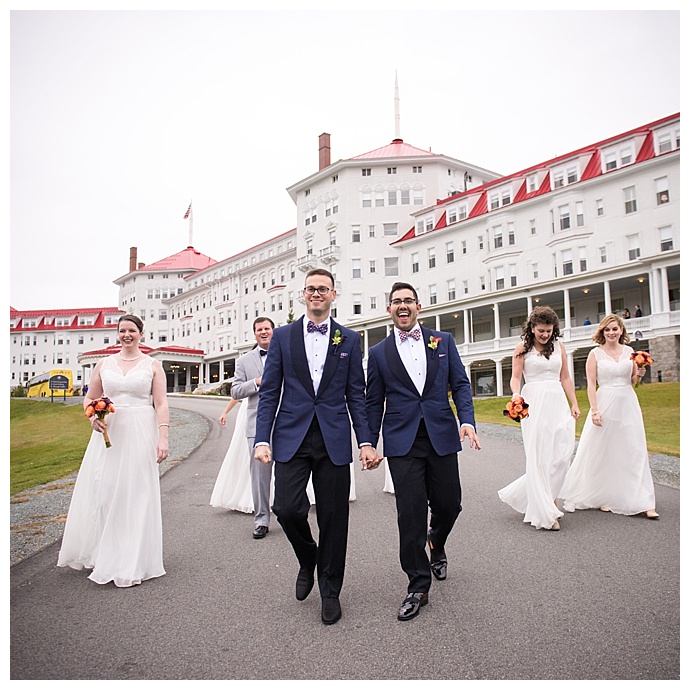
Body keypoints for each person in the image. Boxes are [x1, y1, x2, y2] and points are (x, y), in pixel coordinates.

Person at [254, 268, 378, 625]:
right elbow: (270, 393)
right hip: (291, 436)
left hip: (334, 438)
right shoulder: (282, 336)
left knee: (334, 518)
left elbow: (356, 394)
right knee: (287, 509)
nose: (317, 294)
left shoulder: (350, 340)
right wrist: (263, 438)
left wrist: (366, 441)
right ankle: (309, 558)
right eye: (311, 289)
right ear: (303, 294)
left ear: (333, 294)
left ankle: (330, 590)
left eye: (323, 289)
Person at [365, 282, 481, 621]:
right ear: (389, 309)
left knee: (449, 504)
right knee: (410, 513)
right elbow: (373, 402)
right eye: (396, 301)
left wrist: (467, 420)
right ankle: (417, 584)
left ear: (418, 307)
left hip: (441, 433)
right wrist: (369, 442)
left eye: (408, 301)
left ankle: (437, 540)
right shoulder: (378, 353)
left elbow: (459, 383)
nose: (402, 306)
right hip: (402, 441)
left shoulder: (442, 341)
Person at [57, 313, 168, 587]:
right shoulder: (103, 364)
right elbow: (89, 398)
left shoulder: (153, 365)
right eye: (122, 331)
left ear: (141, 333)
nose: (126, 335)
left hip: (141, 430)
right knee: (105, 491)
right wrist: (92, 415)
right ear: (117, 334)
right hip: (110, 433)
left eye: (132, 330)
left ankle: (134, 557)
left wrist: (163, 437)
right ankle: (106, 549)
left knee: (137, 492)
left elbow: (161, 404)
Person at [559, 314, 658, 518]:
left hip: (627, 403)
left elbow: (632, 382)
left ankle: (645, 501)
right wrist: (595, 410)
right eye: (607, 330)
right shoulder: (595, 354)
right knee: (605, 450)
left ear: (621, 330)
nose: (611, 333)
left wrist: (638, 376)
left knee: (634, 448)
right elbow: (591, 384)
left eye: (615, 329)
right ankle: (604, 495)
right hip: (605, 403)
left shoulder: (630, 352)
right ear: (602, 332)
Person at [498, 306, 580, 532]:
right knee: (540, 454)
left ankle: (548, 494)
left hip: (557, 401)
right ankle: (546, 506)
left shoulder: (559, 347)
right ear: (532, 328)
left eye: (549, 330)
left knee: (562, 454)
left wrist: (574, 403)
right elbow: (515, 378)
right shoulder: (522, 348)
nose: (545, 335)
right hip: (533, 403)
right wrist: (516, 394)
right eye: (541, 330)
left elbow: (565, 378)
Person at [229, 317, 276, 539]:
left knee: (290, 472)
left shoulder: (286, 354)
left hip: (286, 424)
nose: (263, 332)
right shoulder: (244, 361)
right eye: (259, 330)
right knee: (260, 475)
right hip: (256, 426)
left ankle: (289, 514)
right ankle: (262, 519)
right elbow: (235, 391)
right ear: (254, 334)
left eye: (267, 328)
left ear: (273, 331)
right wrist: (256, 382)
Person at [210, 397, 253, 514]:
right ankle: (248, 495)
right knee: (244, 452)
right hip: (248, 412)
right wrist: (225, 411)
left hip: (271, 407)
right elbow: (238, 391)